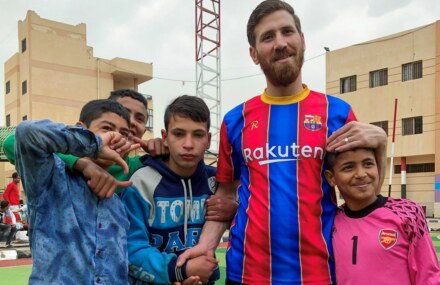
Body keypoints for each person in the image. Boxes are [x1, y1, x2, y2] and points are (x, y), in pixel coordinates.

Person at [177, 1, 388, 284]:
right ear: (254, 54)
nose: (280, 43)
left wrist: (382, 145)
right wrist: (206, 244)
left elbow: (364, 194)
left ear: (302, 40)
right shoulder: (234, 120)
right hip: (247, 274)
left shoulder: (337, 114)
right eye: (268, 36)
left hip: (321, 274)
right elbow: (225, 196)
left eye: (287, 32)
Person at [14, 99, 136, 284]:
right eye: (107, 128)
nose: (116, 137)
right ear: (81, 128)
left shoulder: (118, 205)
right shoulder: (50, 177)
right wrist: (94, 144)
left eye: (124, 134)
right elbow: (28, 133)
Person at [122, 95, 221, 285]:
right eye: (179, 134)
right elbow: (131, 248)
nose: (188, 144)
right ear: (165, 137)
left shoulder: (217, 183)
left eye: (198, 135)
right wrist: (180, 271)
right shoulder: (142, 182)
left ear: (208, 140)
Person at [325, 148, 440, 285]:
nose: (361, 174)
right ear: (331, 178)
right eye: (348, 167)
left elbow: (429, 277)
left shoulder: (408, 212)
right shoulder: (330, 221)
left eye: (368, 164)